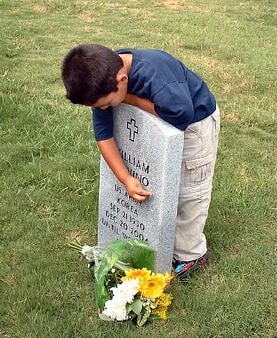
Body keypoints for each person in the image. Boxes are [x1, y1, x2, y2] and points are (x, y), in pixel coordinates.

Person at [61, 44, 220, 279]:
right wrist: (125, 179)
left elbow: (181, 113)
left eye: (105, 105)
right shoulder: (102, 80)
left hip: (195, 126)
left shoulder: (156, 76)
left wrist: (132, 101)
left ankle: (191, 254)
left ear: (122, 80)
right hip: (155, 123)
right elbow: (104, 135)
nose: (103, 109)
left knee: (190, 191)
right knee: (163, 185)